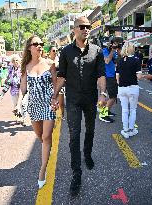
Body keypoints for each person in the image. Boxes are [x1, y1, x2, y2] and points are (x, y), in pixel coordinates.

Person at [51, 16, 107, 196]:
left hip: (90, 98)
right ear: (74, 30)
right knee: (74, 135)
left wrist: (103, 93)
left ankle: (87, 154)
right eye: (81, 26)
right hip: (73, 100)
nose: (85, 29)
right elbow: (62, 76)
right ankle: (76, 173)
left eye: (88, 26)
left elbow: (101, 75)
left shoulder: (97, 51)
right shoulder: (66, 52)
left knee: (90, 130)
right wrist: (54, 95)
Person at [19, 35, 56, 189]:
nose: (40, 46)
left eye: (41, 44)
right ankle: (46, 152)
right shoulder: (26, 66)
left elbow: (56, 84)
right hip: (33, 106)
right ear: (29, 47)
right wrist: (20, 103)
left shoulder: (50, 64)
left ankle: (42, 170)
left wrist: (55, 99)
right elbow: (23, 89)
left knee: (47, 136)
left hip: (48, 105)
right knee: (40, 136)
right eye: (36, 44)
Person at [116, 42, 143, 139]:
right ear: (132, 49)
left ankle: (125, 130)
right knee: (133, 109)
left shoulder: (119, 60)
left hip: (122, 88)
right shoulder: (136, 60)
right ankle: (131, 130)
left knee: (124, 110)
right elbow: (139, 77)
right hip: (133, 88)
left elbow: (117, 77)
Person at [99, 39, 119, 123]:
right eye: (114, 44)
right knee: (113, 96)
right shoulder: (104, 51)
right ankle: (103, 114)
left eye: (116, 45)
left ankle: (107, 110)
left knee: (112, 96)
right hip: (107, 76)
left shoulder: (114, 51)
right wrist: (113, 51)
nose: (115, 46)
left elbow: (116, 61)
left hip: (113, 75)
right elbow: (107, 61)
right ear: (109, 44)